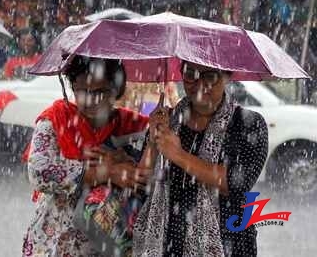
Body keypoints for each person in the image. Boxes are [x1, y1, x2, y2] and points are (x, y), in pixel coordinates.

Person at [134, 61, 269, 257]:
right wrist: (153, 144)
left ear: (226, 76)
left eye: (210, 76)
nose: (199, 84)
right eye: (190, 73)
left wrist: (178, 155)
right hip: (170, 243)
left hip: (229, 242)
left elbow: (235, 183)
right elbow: (141, 182)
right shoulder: (168, 121)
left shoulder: (248, 124)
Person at [22, 55, 151, 256]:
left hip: (105, 242)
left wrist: (127, 163)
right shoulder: (56, 121)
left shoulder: (131, 127)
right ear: (73, 88)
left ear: (116, 90)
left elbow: (146, 174)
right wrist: (106, 172)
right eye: (83, 91)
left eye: (101, 91)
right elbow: (40, 172)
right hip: (55, 240)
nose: (92, 100)